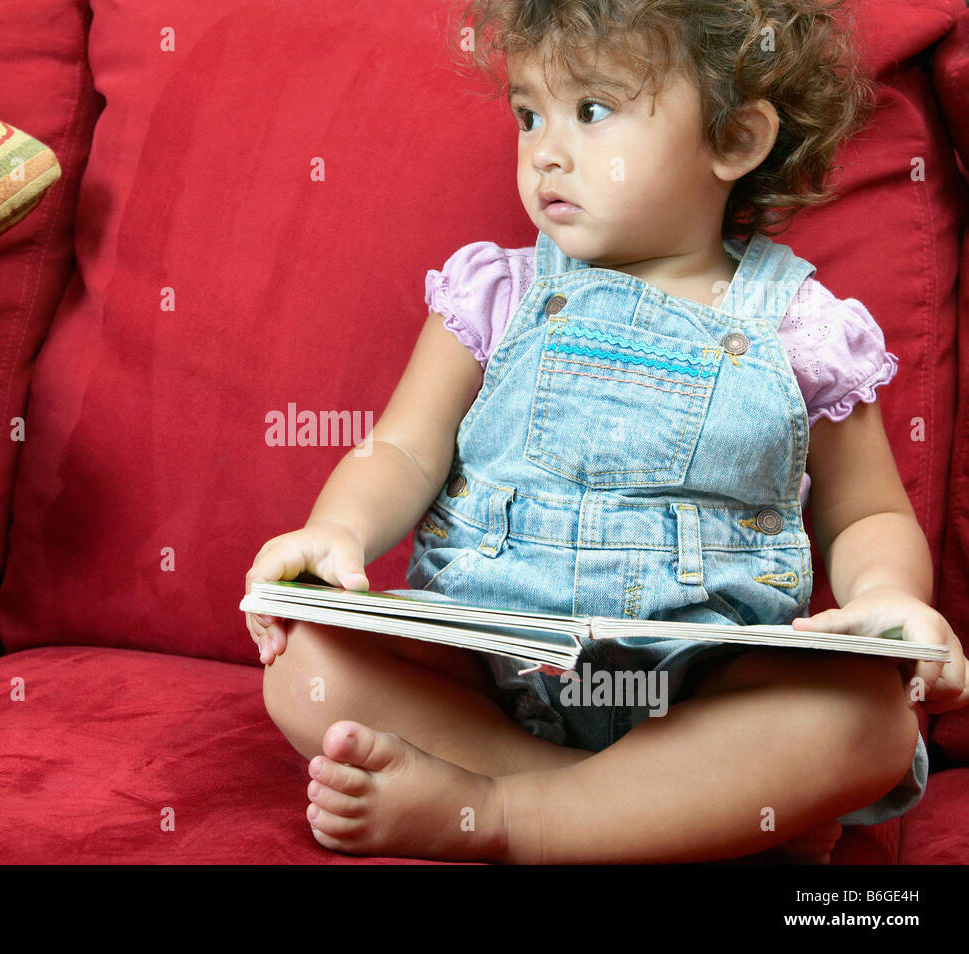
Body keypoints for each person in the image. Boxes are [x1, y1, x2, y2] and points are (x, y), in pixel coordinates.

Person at [243, 0, 967, 864]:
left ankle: (505, 814)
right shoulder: (497, 294)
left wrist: (887, 598)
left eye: (591, 112)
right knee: (305, 667)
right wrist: (337, 532)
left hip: (703, 691)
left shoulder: (803, 328)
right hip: (491, 670)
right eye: (528, 114)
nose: (544, 150)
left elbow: (865, 515)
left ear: (734, 139)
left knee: (870, 722)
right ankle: (675, 816)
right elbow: (400, 448)